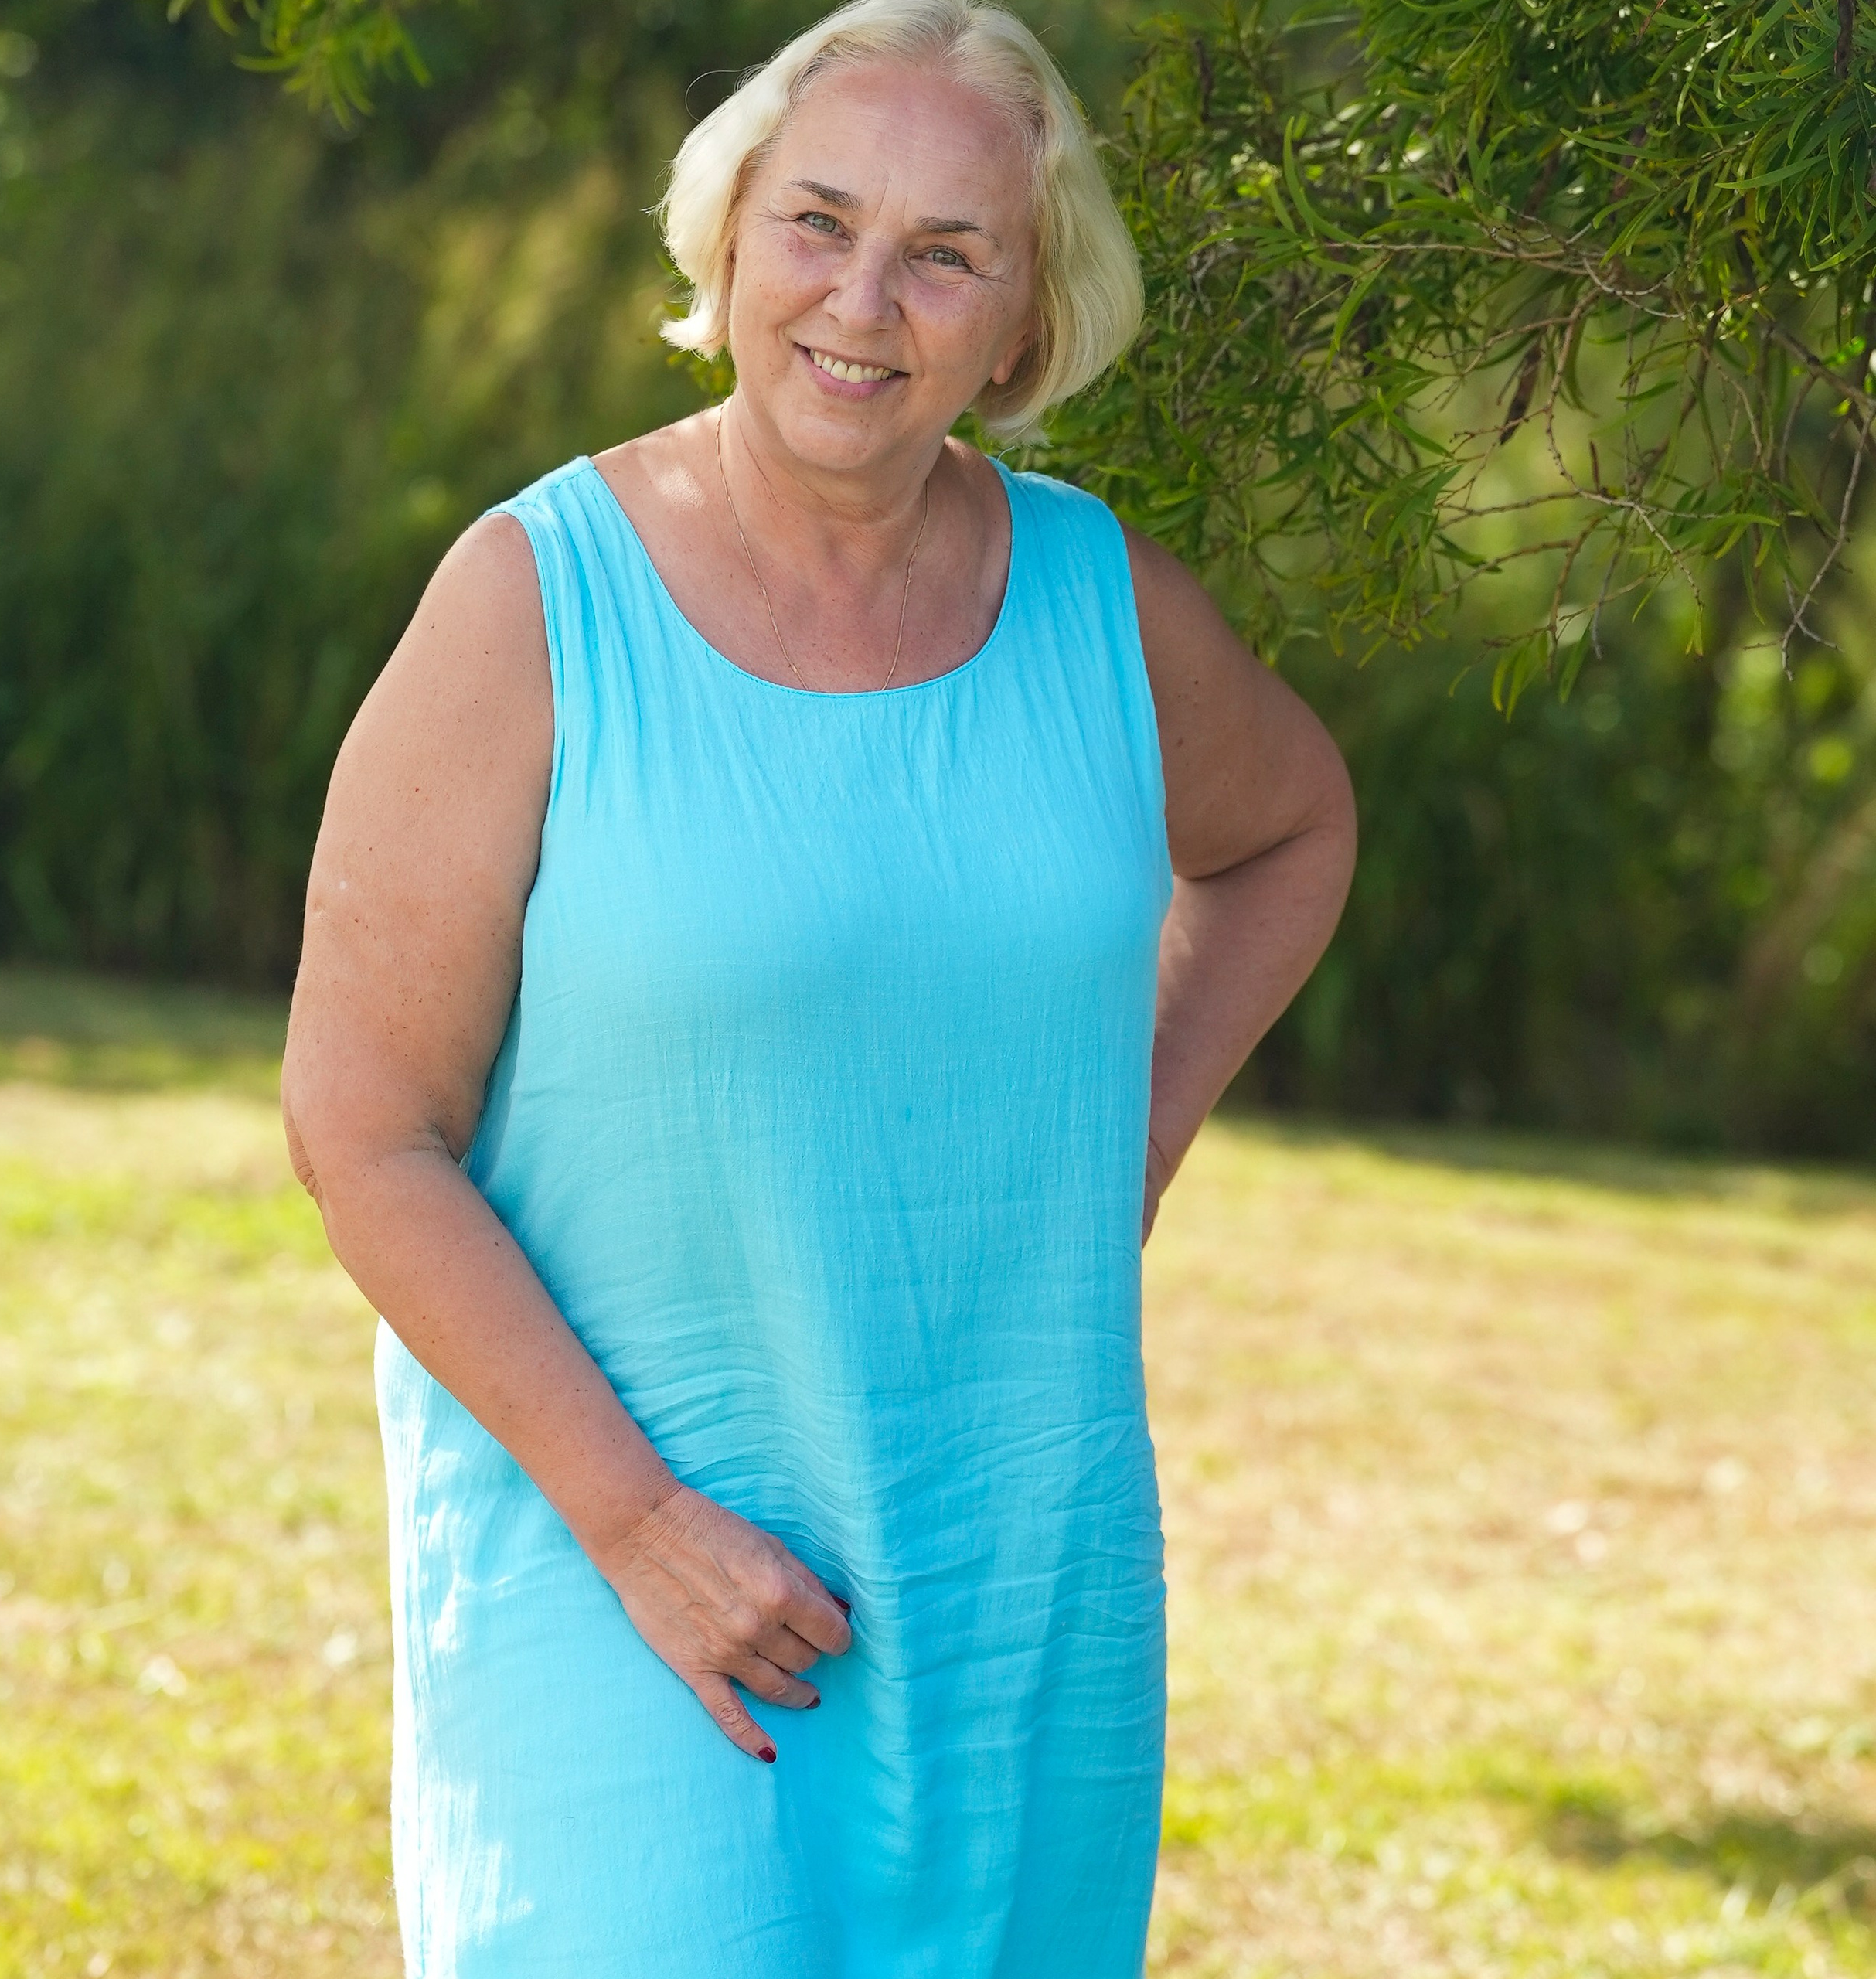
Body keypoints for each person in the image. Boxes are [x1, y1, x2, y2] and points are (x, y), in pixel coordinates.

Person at [280, 1, 1357, 1971]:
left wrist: (1117, 1139)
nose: (861, 298)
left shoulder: (1100, 602)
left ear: (1022, 324)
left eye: (946, 253)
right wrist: (634, 1524)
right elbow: (361, 1128)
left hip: (1012, 1574)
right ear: (724, 237)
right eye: (816, 221)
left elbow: (1290, 831)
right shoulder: (534, 600)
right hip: (618, 1585)